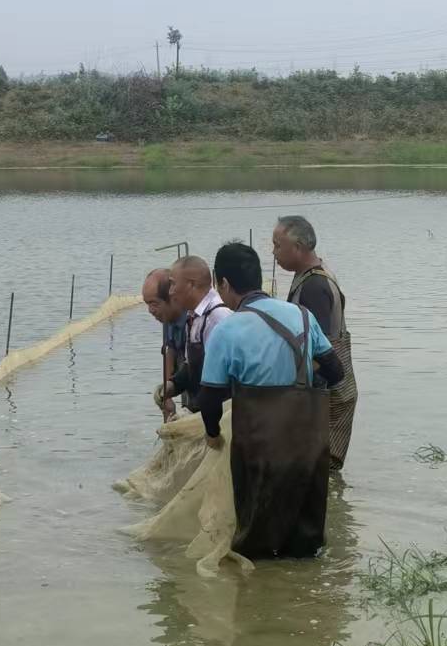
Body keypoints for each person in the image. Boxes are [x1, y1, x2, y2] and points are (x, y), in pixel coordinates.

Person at [199, 241, 345, 562]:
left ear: (222, 283)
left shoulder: (228, 331)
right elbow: (336, 373)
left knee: (257, 540)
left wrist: (212, 434)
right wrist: (300, 383)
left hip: (259, 448)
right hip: (308, 445)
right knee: (307, 542)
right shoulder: (303, 317)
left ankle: (262, 600)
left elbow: (209, 398)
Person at [272, 215, 358, 470]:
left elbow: (318, 351)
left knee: (318, 471)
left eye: (277, 245)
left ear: (297, 248)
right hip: (328, 386)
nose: (273, 252)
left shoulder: (314, 286)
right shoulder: (310, 276)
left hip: (328, 392)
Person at [161, 254, 231, 413]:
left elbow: (222, 379)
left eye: (173, 284)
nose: (171, 292)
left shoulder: (218, 318)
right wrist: (173, 386)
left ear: (191, 285)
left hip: (220, 415)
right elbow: (191, 365)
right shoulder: (193, 317)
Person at [141, 267, 188, 417]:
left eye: (154, 303)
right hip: (183, 378)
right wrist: (167, 395)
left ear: (172, 297)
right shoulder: (167, 317)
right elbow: (170, 350)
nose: (150, 310)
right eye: (147, 304)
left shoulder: (193, 320)